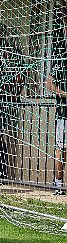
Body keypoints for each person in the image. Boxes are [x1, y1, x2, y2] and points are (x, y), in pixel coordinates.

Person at [0, 23, 24, 181]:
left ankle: (1, 173)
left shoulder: (13, 52)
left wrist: (13, 93)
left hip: (8, 100)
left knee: (0, 135)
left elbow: (20, 76)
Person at [46, 52, 67, 195]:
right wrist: (64, 94)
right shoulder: (61, 59)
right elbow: (49, 84)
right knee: (61, 148)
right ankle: (58, 184)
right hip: (64, 113)